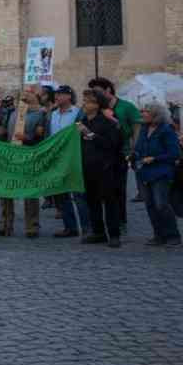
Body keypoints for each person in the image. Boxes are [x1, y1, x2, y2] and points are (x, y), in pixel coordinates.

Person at [0, 86, 47, 238]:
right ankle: (5, 224)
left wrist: (28, 138)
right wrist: (0, 132)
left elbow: (40, 137)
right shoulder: (11, 113)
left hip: (28, 156)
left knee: (30, 193)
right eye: (23, 93)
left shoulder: (40, 115)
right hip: (10, 156)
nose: (25, 95)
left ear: (36, 97)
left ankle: (32, 226)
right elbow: (3, 133)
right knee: (5, 191)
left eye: (29, 93)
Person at [77, 89, 123, 247]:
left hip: (105, 168)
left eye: (88, 102)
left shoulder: (107, 122)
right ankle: (98, 232)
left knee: (109, 202)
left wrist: (90, 134)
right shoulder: (83, 121)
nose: (84, 104)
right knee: (92, 201)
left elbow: (111, 144)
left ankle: (114, 235)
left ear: (97, 105)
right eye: (84, 101)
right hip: (87, 167)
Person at [89, 76, 139, 221]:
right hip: (99, 153)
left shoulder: (126, 106)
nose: (95, 95)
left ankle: (120, 219)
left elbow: (136, 128)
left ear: (108, 90)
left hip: (121, 152)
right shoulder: (96, 108)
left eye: (97, 91)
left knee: (118, 188)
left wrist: (134, 149)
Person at [132, 102, 181, 246]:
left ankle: (173, 236)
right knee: (150, 205)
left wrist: (154, 158)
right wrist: (133, 155)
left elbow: (174, 153)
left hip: (161, 172)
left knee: (161, 204)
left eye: (146, 111)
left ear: (156, 114)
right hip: (144, 172)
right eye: (143, 111)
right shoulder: (144, 128)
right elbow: (139, 147)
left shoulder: (166, 130)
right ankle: (158, 235)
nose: (143, 113)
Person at [49, 85, 90, 238]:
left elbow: (84, 133)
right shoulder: (52, 114)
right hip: (57, 158)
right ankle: (70, 227)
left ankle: (86, 227)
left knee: (78, 194)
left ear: (69, 97)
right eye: (56, 94)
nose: (57, 97)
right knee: (62, 194)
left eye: (60, 94)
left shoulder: (78, 113)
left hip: (74, 157)